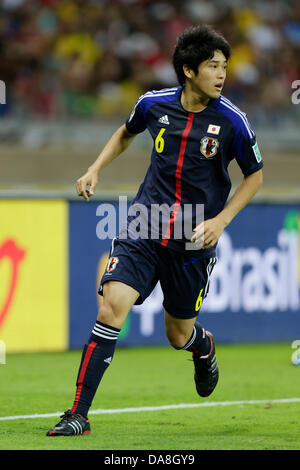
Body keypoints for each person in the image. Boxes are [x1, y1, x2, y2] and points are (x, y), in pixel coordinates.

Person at [47, 24, 263, 436]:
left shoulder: (233, 121)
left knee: (177, 333)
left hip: (192, 240)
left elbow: (255, 177)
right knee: (111, 306)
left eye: (224, 67)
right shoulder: (154, 104)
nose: (222, 74)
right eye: (213, 66)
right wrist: (94, 168)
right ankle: (78, 414)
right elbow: (125, 133)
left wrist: (221, 221)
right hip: (144, 226)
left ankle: (202, 345)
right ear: (188, 70)